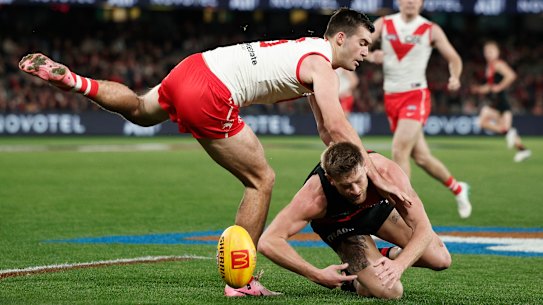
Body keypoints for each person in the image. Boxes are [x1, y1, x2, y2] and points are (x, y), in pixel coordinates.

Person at [18, 8, 411, 296]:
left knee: (139, 110)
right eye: (363, 43)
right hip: (215, 91)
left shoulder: (308, 52)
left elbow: (327, 129)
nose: (366, 52)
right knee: (262, 179)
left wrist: (346, 163)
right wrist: (371, 171)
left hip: (194, 67)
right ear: (340, 38)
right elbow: (339, 125)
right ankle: (240, 282)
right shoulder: (323, 67)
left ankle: (75, 81)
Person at [258, 142, 451, 299]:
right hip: (341, 226)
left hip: (375, 210)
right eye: (346, 185)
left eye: (359, 180)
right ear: (331, 179)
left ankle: (384, 255)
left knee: (440, 259)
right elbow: (268, 242)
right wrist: (315, 274)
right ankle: (356, 280)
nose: (356, 190)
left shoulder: (386, 172)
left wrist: (399, 264)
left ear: (365, 167)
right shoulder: (314, 198)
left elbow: (423, 228)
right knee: (391, 291)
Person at [366, 0, 472, 218]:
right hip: (391, 97)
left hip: (416, 95)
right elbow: (359, 44)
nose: (411, 1)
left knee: (399, 150)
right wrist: (369, 55)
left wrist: (455, 76)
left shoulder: (430, 29)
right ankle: (459, 188)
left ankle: (404, 211)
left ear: (422, 3)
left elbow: (453, 58)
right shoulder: (384, 24)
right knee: (422, 157)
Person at [471, 40, 531, 162]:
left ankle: (513, 137)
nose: (488, 54)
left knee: (486, 121)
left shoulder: (498, 64)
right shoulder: (490, 66)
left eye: (491, 51)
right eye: (486, 51)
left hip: (502, 102)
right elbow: (490, 86)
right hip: (495, 102)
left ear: (497, 53)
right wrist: (479, 89)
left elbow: (511, 75)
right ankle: (522, 149)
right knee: (485, 122)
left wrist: (500, 87)